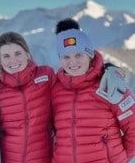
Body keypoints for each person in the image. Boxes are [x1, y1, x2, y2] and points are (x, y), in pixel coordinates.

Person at [51, 19, 135, 163]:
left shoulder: (110, 83)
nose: (73, 62)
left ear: (89, 54)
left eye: (79, 55)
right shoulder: (55, 88)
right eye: (66, 56)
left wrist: (119, 159)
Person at [0, 31, 55, 163]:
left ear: (27, 54)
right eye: (6, 56)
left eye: (18, 53)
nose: (13, 61)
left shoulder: (46, 76)